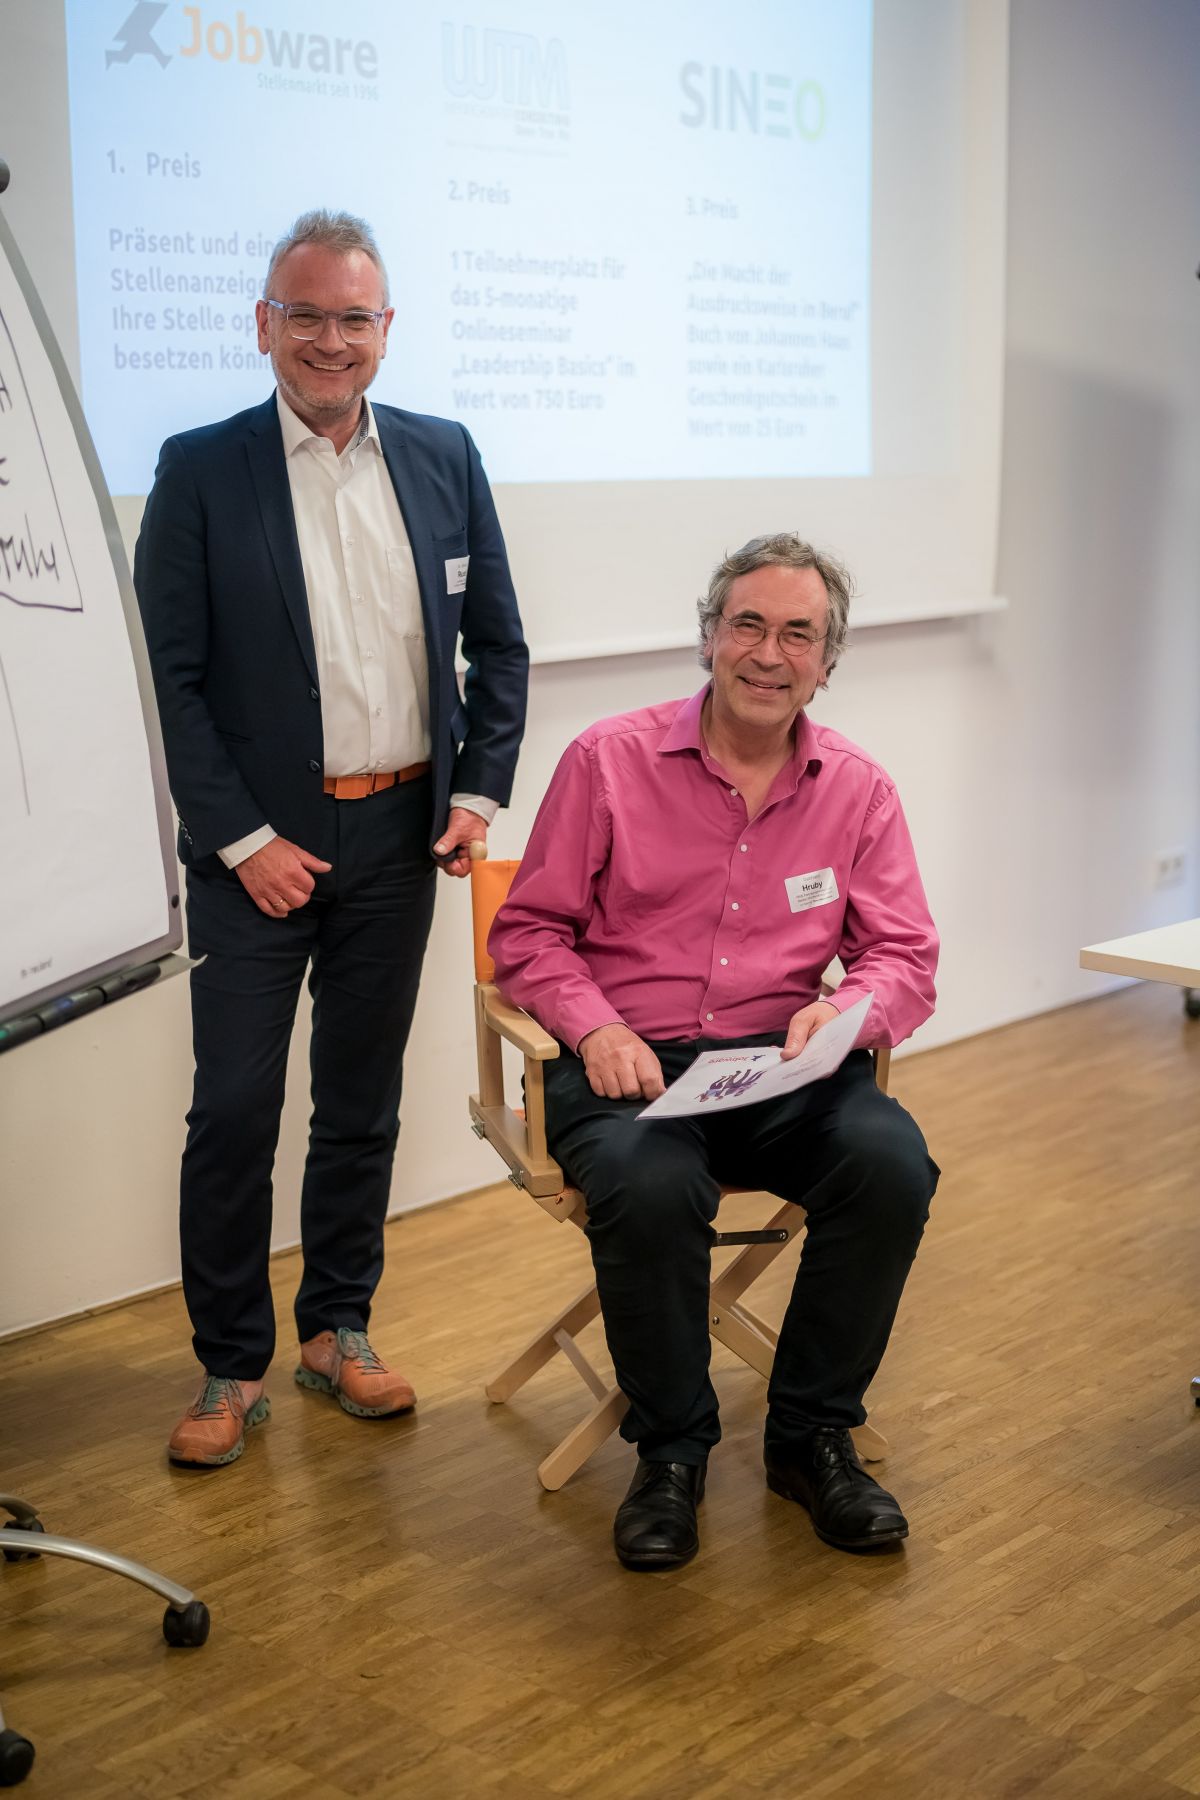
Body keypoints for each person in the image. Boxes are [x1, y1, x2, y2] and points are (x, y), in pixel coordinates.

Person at [135, 209, 528, 1467]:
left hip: (400, 841)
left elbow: (499, 645)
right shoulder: (202, 468)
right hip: (256, 859)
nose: (329, 340)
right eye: (303, 315)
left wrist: (475, 795)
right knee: (234, 1112)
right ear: (264, 325)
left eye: (353, 318)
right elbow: (172, 681)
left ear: (386, 329)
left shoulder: (444, 455)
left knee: (359, 1104)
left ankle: (337, 1329)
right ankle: (228, 1364)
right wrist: (242, 838)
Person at [489, 533, 938, 1570]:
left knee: (891, 1164)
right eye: (748, 625)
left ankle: (810, 1438)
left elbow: (904, 955)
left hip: (781, 1064)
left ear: (827, 662)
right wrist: (594, 1025)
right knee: (650, 1187)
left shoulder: (859, 789)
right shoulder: (606, 759)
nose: (769, 654)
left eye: (799, 634)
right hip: (628, 1065)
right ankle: (672, 1453)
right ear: (708, 637)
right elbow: (529, 933)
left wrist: (850, 1011)